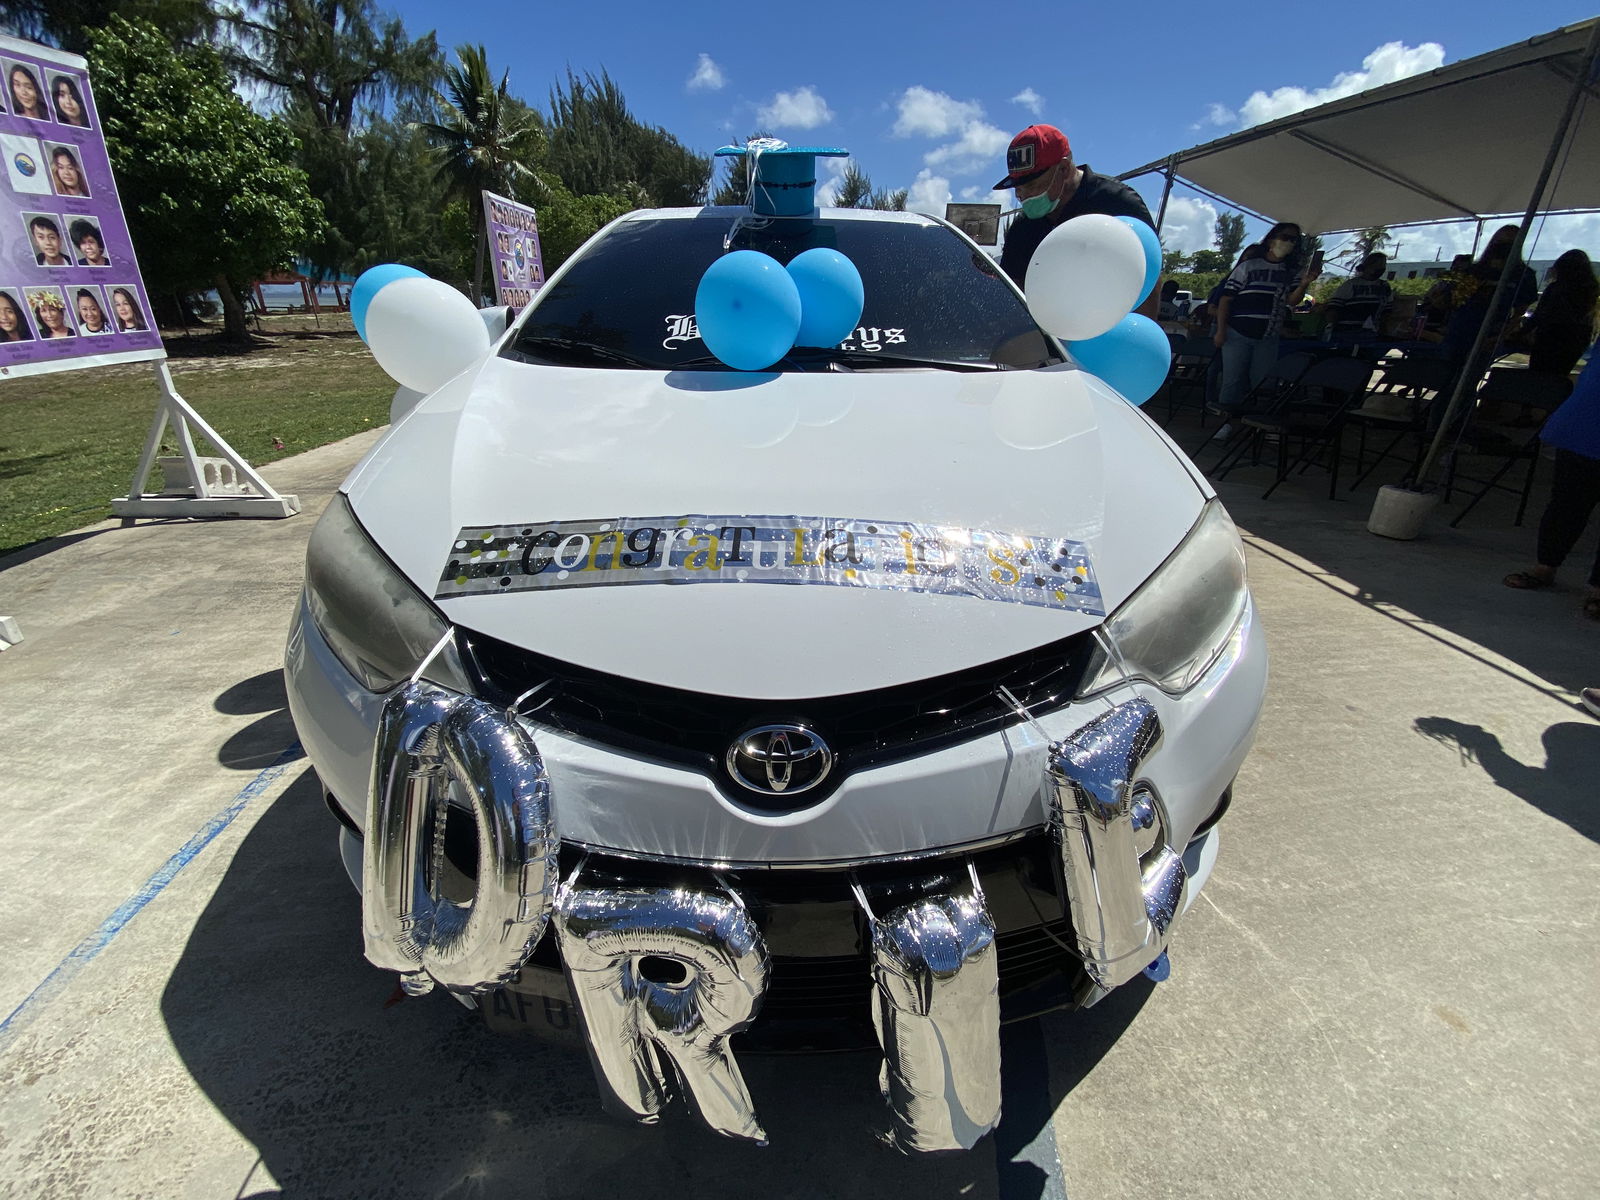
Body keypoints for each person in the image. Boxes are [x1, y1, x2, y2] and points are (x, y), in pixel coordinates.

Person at [992, 124, 1156, 297]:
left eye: (1031, 185)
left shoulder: (1117, 205)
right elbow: (1011, 293)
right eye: (1017, 188)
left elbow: (1148, 283)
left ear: (1063, 169)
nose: (1022, 195)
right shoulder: (1022, 227)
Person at [1503, 335, 1600, 618]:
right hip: (1584, 426)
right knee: (1566, 504)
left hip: (1583, 426)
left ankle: (1598, 587)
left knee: (1567, 503)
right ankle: (1545, 566)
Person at [1210, 223, 1318, 437]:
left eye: (1294, 240)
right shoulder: (1248, 267)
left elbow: (1291, 301)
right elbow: (1225, 299)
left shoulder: (1291, 271)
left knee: (1264, 381)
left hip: (1268, 334)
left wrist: (1304, 284)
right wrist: (1221, 331)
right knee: (1232, 380)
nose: (1288, 243)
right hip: (1238, 332)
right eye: (1285, 237)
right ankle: (1226, 424)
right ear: (1271, 239)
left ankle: (1260, 426)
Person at [1513, 249, 1598, 378]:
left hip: (1550, 337)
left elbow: (1539, 315)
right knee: (1559, 375)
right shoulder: (1590, 291)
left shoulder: (1556, 288)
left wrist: (1519, 333)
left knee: (1538, 374)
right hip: (1578, 339)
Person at [1324, 253, 1393, 334]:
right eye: (1379, 265)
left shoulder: (1384, 286)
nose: (1381, 268)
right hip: (1347, 332)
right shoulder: (1350, 285)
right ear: (1368, 265)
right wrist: (1331, 327)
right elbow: (1334, 309)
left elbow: (1387, 312)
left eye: (1383, 265)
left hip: (1373, 333)